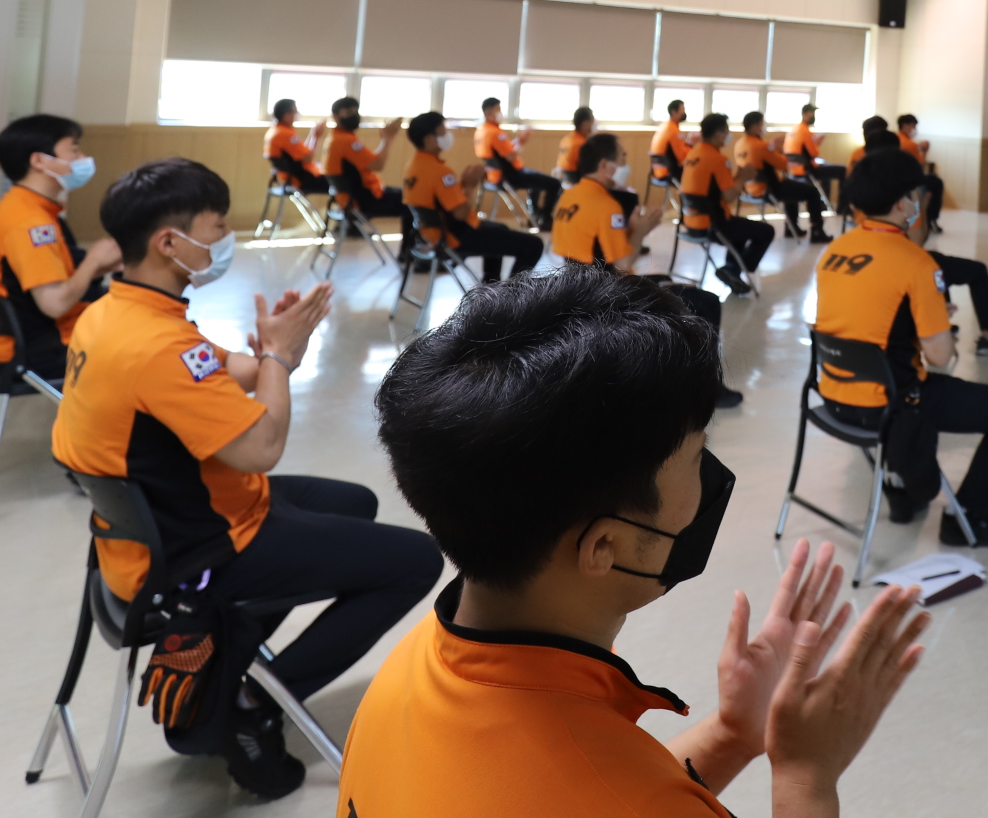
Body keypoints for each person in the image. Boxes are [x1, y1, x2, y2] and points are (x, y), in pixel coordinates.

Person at [347, 267, 930, 817]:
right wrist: (806, 775)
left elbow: (606, 786)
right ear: (603, 547)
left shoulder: (411, 670)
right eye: (697, 458)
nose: (709, 482)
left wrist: (734, 733)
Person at [54, 158, 443, 797]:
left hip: (142, 535)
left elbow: (213, 366)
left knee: (354, 501)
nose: (225, 237)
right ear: (169, 242)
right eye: (216, 226)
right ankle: (253, 702)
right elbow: (261, 447)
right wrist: (279, 362)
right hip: (197, 550)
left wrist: (264, 350)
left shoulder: (112, 312)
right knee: (417, 561)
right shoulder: (158, 347)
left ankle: (233, 654)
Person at [812, 150, 988, 545]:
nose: (919, 202)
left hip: (833, 397)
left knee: (911, 386)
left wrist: (918, 320)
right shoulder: (916, 263)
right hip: (890, 406)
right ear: (902, 203)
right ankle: (970, 520)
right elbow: (940, 357)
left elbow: (865, 320)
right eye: (915, 195)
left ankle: (903, 494)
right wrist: (935, 321)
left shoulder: (835, 251)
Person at [555, 132, 743, 409]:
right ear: (605, 165)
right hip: (608, 296)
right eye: (622, 157)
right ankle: (707, 387)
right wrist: (641, 231)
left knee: (668, 282)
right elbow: (622, 265)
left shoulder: (569, 196)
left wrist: (632, 230)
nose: (626, 163)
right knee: (707, 302)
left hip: (577, 288)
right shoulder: (606, 205)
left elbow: (594, 249)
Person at [0, 114, 121, 382]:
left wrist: (99, 266)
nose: (82, 158)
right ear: (39, 161)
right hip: (48, 347)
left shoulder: (20, 207)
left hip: (39, 338)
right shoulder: (30, 224)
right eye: (74, 149)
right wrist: (92, 261)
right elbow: (55, 304)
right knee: (153, 344)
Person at [860, 128, 988, 355]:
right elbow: (916, 244)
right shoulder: (904, 192)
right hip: (903, 266)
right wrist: (923, 204)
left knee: (938, 263)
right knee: (970, 270)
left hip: (870, 264)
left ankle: (943, 323)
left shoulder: (861, 187)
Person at [403, 111, 545, 284]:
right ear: (430, 139)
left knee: (500, 228)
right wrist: (470, 186)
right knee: (534, 244)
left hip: (430, 234)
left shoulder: (413, 166)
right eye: (443, 131)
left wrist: (462, 184)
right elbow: (460, 214)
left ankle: (490, 285)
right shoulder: (440, 172)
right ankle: (511, 292)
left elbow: (441, 202)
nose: (448, 135)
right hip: (452, 237)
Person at [681, 113, 773, 292]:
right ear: (718, 135)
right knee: (767, 231)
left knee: (741, 229)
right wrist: (743, 178)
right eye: (726, 131)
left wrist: (738, 177)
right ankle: (735, 269)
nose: (729, 135)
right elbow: (729, 196)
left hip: (691, 222)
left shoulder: (693, 154)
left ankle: (732, 270)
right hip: (713, 225)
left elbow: (717, 188)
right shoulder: (718, 159)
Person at [324, 97, 415, 249]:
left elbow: (370, 161)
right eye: (348, 112)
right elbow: (378, 164)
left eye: (356, 111)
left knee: (407, 195)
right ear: (335, 116)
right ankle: (409, 252)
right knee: (412, 201)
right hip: (362, 201)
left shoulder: (334, 137)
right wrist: (389, 137)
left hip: (348, 198)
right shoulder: (346, 141)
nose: (354, 115)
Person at [736, 110, 831, 242]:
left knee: (792, 187)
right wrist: (778, 149)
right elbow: (783, 165)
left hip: (748, 189)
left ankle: (791, 228)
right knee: (813, 192)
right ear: (754, 127)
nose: (765, 127)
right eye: (762, 124)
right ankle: (817, 231)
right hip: (768, 189)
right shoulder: (761, 145)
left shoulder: (739, 144)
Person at [476, 96, 562, 227]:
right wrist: (521, 141)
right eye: (498, 110)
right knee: (554, 183)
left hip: (493, 177)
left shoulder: (481, 131)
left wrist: (518, 140)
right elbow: (510, 156)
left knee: (535, 181)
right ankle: (544, 218)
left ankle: (534, 215)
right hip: (509, 176)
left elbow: (504, 152)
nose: (501, 113)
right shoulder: (495, 133)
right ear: (488, 113)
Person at [263, 99, 329, 196]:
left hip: (285, 177)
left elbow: (303, 152)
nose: (297, 114)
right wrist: (316, 137)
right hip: (300, 179)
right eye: (295, 111)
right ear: (287, 115)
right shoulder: (285, 134)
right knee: (341, 181)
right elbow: (308, 157)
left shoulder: (274, 131)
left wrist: (312, 135)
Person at [893, 114, 945, 235]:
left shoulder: (895, 140)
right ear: (905, 126)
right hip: (909, 180)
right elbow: (920, 167)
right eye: (913, 126)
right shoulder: (910, 145)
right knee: (936, 182)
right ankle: (932, 219)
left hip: (895, 177)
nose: (914, 129)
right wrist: (924, 151)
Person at [785, 101, 841, 208]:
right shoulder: (805, 131)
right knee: (843, 170)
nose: (813, 116)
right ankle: (840, 208)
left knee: (825, 172)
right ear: (805, 114)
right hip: (806, 169)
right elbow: (814, 154)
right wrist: (818, 141)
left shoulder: (793, 130)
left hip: (793, 169)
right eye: (812, 113)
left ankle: (823, 205)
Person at [650, 98, 693, 207]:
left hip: (657, 171)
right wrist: (691, 144)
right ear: (674, 112)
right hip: (669, 172)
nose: (684, 113)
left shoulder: (663, 127)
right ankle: (692, 210)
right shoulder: (674, 131)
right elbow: (682, 158)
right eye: (682, 110)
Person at [553, 105, 597, 182]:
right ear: (585, 124)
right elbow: (589, 170)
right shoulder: (583, 144)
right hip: (576, 180)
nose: (594, 124)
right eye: (592, 121)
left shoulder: (566, 139)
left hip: (563, 178)